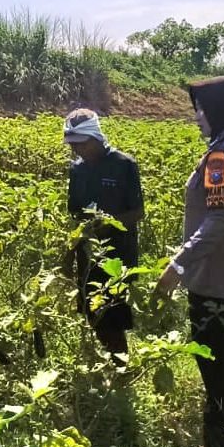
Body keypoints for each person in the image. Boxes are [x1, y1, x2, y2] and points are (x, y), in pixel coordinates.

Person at [154, 76, 224, 447]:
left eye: (200, 109)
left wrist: (177, 265)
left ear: (218, 111)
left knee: (217, 362)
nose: (197, 117)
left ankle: (221, 445)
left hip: (219, 279)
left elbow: (220, 220)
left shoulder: (222, 156)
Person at [63, 108, 144, 365]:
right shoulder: (77, 170)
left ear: (96, 137)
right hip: (87, 253)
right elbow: (75, 215)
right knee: (90, 310)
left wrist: (108, 224)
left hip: (117, 255)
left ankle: (121, 367)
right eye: (73, 146)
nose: (78, 151)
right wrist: (68, 254)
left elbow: (138, 212)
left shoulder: (124, 165)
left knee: (112, 313)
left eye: (81, 144)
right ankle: (100, 363)